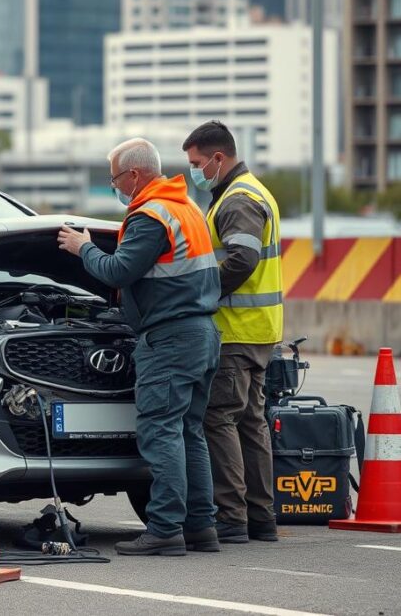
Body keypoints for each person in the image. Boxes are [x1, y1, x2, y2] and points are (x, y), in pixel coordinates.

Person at [57, 138, 221, 556]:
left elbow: (118, 270)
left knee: (161, 430)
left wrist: (83, 248)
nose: (115, 186)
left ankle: (165, 529)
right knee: (188, 432)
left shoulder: (150, 214)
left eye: (114, 179)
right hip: (201, 332)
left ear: (133, 175)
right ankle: (201, 526)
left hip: (169, 339)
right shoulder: (187, 208)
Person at [183, 121, 283, 544]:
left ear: (218, 158)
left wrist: (200, 294)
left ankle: (232, 517)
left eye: (196, 163)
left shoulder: (238, 200)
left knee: (219, 419)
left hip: (235, 331)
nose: (194, 171)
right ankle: (261, 517)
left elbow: (241, 259)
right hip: (259, 330)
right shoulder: (253, 191)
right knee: (251, 423)